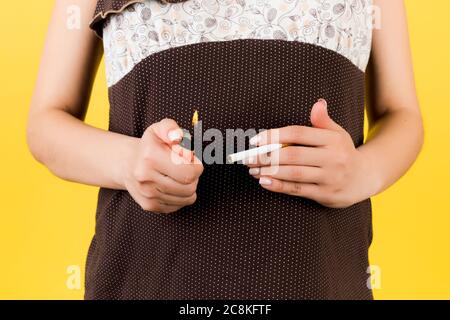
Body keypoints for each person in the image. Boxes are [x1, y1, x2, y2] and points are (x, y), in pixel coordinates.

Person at [27, 0, 423, 299]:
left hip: (319, 278)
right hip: (146, 279)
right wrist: (128, 163)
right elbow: (46, 124)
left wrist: (362, 171)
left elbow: (401, 114)